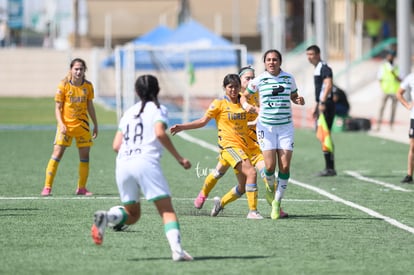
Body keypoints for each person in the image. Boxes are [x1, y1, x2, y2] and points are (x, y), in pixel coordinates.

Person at [91, 75, 193, 261]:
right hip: (145, 162)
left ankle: (106, 217)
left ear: (137, 92)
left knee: (133, 215)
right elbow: (160, 133)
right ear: (158, 90)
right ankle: (177, 251)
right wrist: (179, 158)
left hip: (123, 163)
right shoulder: (159, 109)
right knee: (166, 210)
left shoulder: (128, 112)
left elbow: (116, 145)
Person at [193, 66, 288, 218]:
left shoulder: (258, 95)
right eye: (247, 78)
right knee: (218, 173)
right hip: (235, 146)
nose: (251, 81)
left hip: (255, 147)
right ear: (239, 81)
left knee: (268, 177)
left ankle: (276, 207)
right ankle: (203, 195)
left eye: (253, 78)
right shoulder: (233, 99)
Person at [170, 74, 263, 219]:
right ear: (224, 88)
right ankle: (252, 211)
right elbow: (202, 121)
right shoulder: (219, 103)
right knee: (251, 173)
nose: (233, 90)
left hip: (243, 148)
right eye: (230, 87)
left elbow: (254, 112)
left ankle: (221, 203)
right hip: (229, 148)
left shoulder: (244, 101)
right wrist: (182, 126)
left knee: (240, 185)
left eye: (236, 87)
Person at [243, 49, 305, 220]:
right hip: (266, 127)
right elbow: (245, 96)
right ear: (264, 62)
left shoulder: (288, 78)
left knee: (284, 166)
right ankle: (270, 189)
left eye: (275, 59)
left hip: (285, 127)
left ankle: (276, 202)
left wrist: (299, 100)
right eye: (268, 60)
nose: (272, 62)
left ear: (280, 62)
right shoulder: (259, 80)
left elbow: (294, 96)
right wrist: (248, 107)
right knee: (269, 167)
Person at [41, 58, 98, 196]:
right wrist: (61, 124)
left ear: (85, 70)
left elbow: (90, 105)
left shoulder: (88, 86)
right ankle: (47, 187)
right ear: (71, 70)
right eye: (76, 69)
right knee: (56, 155)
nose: (78, 71)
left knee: (85, 157)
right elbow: (57, 108)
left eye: (81, 69)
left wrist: (95, 124)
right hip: (65, 126)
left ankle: (81, 188)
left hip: (83, 127)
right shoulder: (64, 85)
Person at [306, 45, 337, 177]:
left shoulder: (324, 67)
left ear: (318, 54)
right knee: (323, 134)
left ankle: (330, 168)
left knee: (324, 134)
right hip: (322, 104)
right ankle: (329, 167)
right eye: (308, 54)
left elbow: (328, 84)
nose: (309, 57)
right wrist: (316, 104)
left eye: (312, 54)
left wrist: (323, 102)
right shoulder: (318, 68)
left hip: (327, 105)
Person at [396, 72, 414, 184]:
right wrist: (407, 105)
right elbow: (399, 93)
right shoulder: (411, 77)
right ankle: (409, 175)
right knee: (412, 145)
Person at [376, 50, 400, 131]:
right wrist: (382, 87)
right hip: (385, 90)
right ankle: (378, 125)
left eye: (391, 56)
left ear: (393, 57)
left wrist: (394, 74)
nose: (389, 57)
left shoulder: (396, 67)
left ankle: (391, 125)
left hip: (394, 90)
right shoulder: (383, 66)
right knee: (381, 108)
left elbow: (400, 79)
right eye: (388, 55)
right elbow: (379, 78)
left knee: (393, 109)